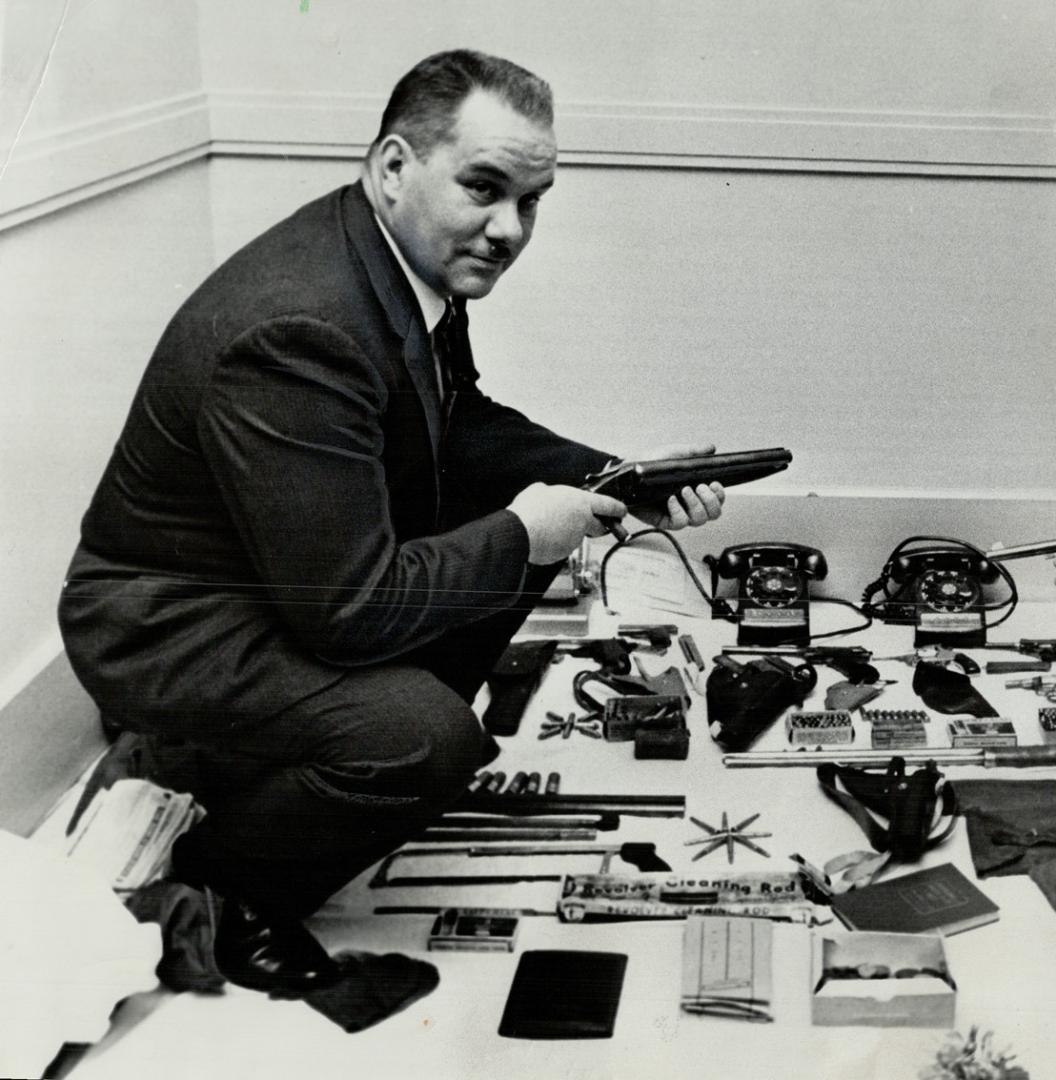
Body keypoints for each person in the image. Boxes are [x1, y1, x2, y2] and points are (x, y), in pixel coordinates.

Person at [58, 50, 726, 998]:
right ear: (393, 167)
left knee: (522, 524)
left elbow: (462, 423)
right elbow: (351, 610)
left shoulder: (393, 259)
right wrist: (530, 532)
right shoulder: (301, 327)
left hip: (267, 574)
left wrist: (617, 482)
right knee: (424, 741)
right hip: (165, 625)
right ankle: (212, 889)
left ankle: (308, 764)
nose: (508, 230)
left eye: (531, 201)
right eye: (484, 189)